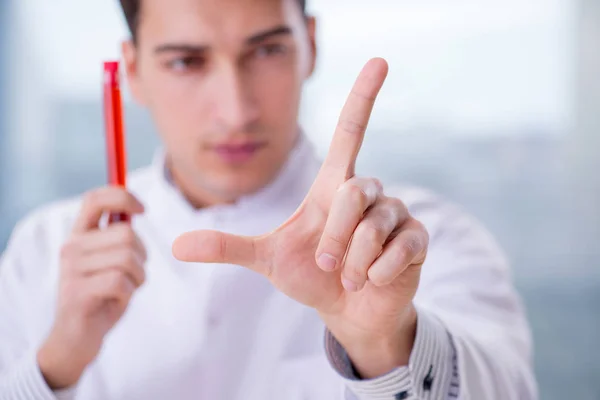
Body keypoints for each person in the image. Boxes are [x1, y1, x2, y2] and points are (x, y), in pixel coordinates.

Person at [0, 0, 537, 399]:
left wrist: (386, 344)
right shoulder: (45, 250)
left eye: (267, 50)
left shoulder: (419, 241)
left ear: (311, 45)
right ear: (132, 69)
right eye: (186, 62)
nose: (235, 111)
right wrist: (56, 364)